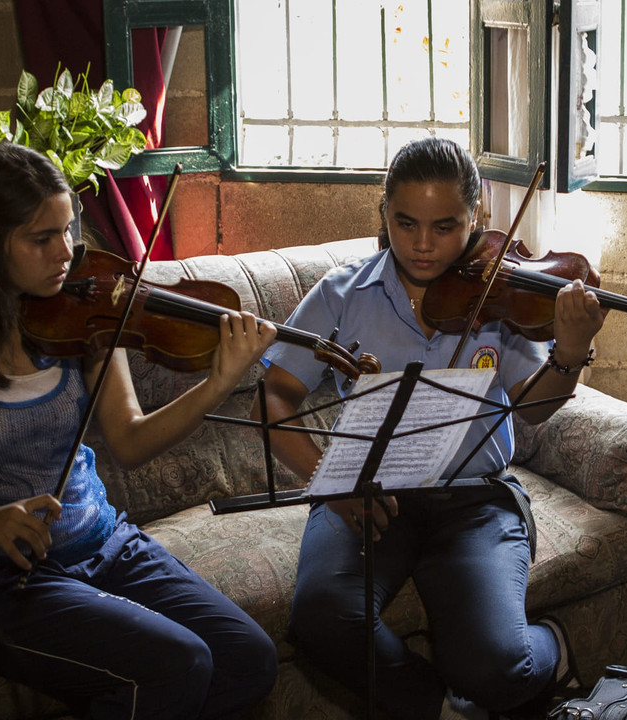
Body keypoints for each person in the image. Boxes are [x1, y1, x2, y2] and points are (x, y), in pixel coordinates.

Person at [0, 142, 279, 719]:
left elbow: (129, 442)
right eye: (41, 238)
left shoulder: (88, 316)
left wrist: (219, 382)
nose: (66, 254)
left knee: (249, 657)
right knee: (179, 662)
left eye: (69, 231)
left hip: (101, 544)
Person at [255, 136, 605, 719]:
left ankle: (552, 647)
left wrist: (568, 354)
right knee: (318, 617)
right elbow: (277, 392)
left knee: (495, 666)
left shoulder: (500, 296)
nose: (422, 245)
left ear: (476, 217)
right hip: (368, 494)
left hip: (475, 501)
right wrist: (328, 480)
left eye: (445, 227)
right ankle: (440, 711)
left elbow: (533, 408)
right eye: (405, 223)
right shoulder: (342, 295)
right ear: (384, 214)